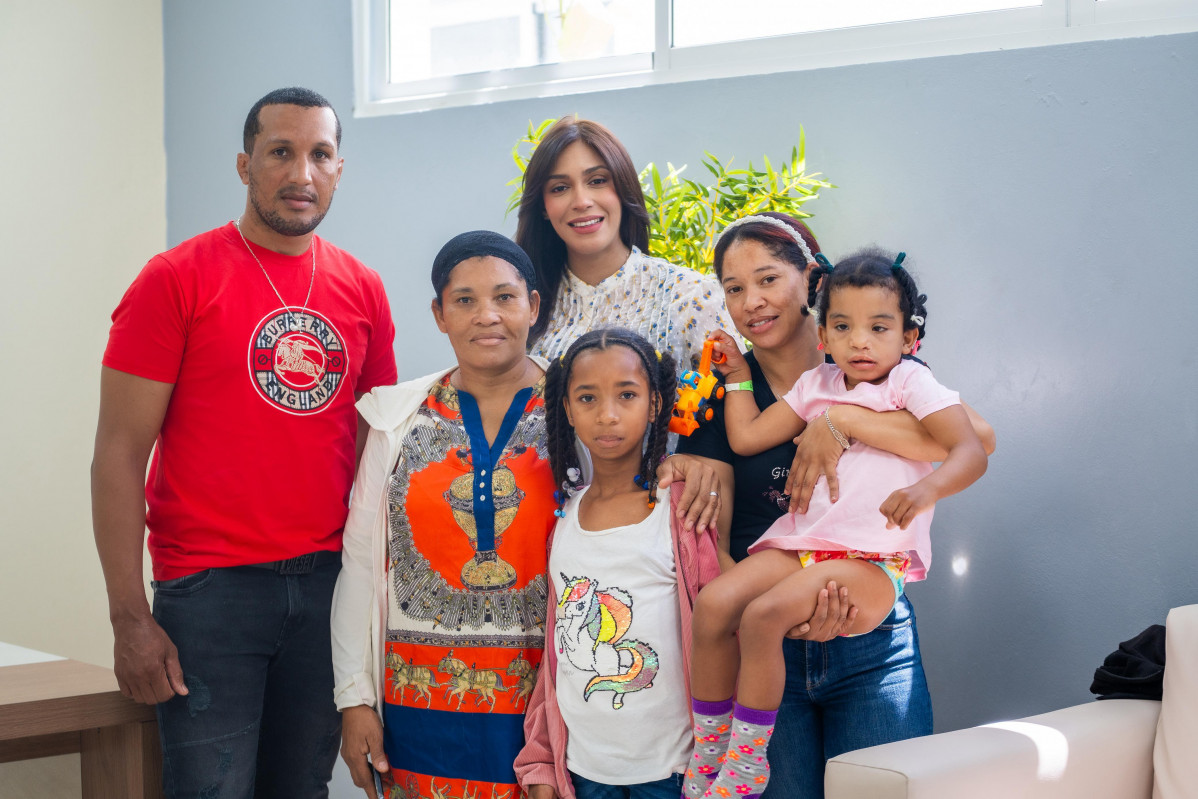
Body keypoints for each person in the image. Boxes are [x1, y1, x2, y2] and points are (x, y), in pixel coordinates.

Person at [331, 234, 722, 799]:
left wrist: (703, 465)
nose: (486, 315)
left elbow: (643, 511)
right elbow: (361, 565)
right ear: (438, 314)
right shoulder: (397, 420)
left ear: (533, 308)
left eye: (504, 297)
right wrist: (354, 698)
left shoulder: (581, 412)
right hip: (416, 706)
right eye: (463, 300)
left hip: (549, 711)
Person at [91, 87, 397, 796]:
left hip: (329, 586)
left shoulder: (363, 289)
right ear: (244, 165)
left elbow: (373, 455)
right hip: (209, 591)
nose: (302, 174)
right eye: (280, 152)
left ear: (339, 169)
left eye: (320, 154)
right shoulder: (175, 280)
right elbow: (117, 455)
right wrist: (128, 616)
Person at [674, 213, 997, 798]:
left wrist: (843, 422)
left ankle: (743, 758)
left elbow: (977, 442)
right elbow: (736, 464)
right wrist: (741, 378)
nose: (752, 301)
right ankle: (718, 749)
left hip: (867, 620)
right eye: (734, 287)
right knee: (723, 606)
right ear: (828, 332)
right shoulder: (792, 387)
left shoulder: (895, 373)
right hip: (772, 644)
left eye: (769, 279)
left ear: (810, 281)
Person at [514, 328, 721, 799]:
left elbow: (720, 631)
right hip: (583, 770)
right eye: (587, 398)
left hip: (672, 771)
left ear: (653, 404)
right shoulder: (563, 514)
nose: (607, 414)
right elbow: (556, 658)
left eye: (626, 395)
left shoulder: (680, 507)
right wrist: (543, 760)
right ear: (567, 409)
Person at [515, 116, 734, 370]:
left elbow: (740, 400)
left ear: (623, 188)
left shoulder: (691, 295)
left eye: (597, 181)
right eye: (560, 188)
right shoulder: (524, 305)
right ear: (542, 206)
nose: (581, 201)